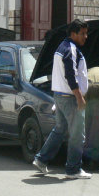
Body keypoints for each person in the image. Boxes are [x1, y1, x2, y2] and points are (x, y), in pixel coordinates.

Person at [32, 19, 92, 179]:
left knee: (60, 129)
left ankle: (41, 159)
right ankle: (73, 169)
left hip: (59, 95)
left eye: (86, 33)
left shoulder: (62, 47)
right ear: (73, 34)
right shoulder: (70, 49)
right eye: (82, 34)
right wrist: (79, 97)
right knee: (78, 134)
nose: (85, 37)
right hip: (70, 97)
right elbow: (70, 75)